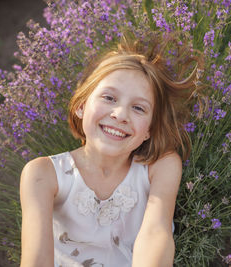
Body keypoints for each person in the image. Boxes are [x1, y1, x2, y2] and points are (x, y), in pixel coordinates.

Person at [19, 35, 205, 267]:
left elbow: (155, 236)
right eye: (109, 98)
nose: (120, 115)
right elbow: (36, 259)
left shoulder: (160, 166)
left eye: (138, 108)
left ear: (149, 129)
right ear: (81, 105)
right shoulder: (43, 174)